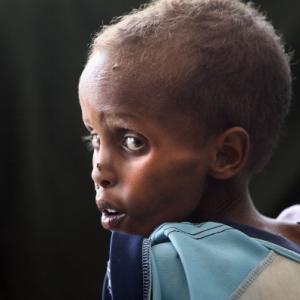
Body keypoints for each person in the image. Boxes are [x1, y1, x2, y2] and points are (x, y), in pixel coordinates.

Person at [78, 0, 300, 299]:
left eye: (133, 141)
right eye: (95, 138)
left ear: (225, 155)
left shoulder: (165, 267)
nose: (99, 170)